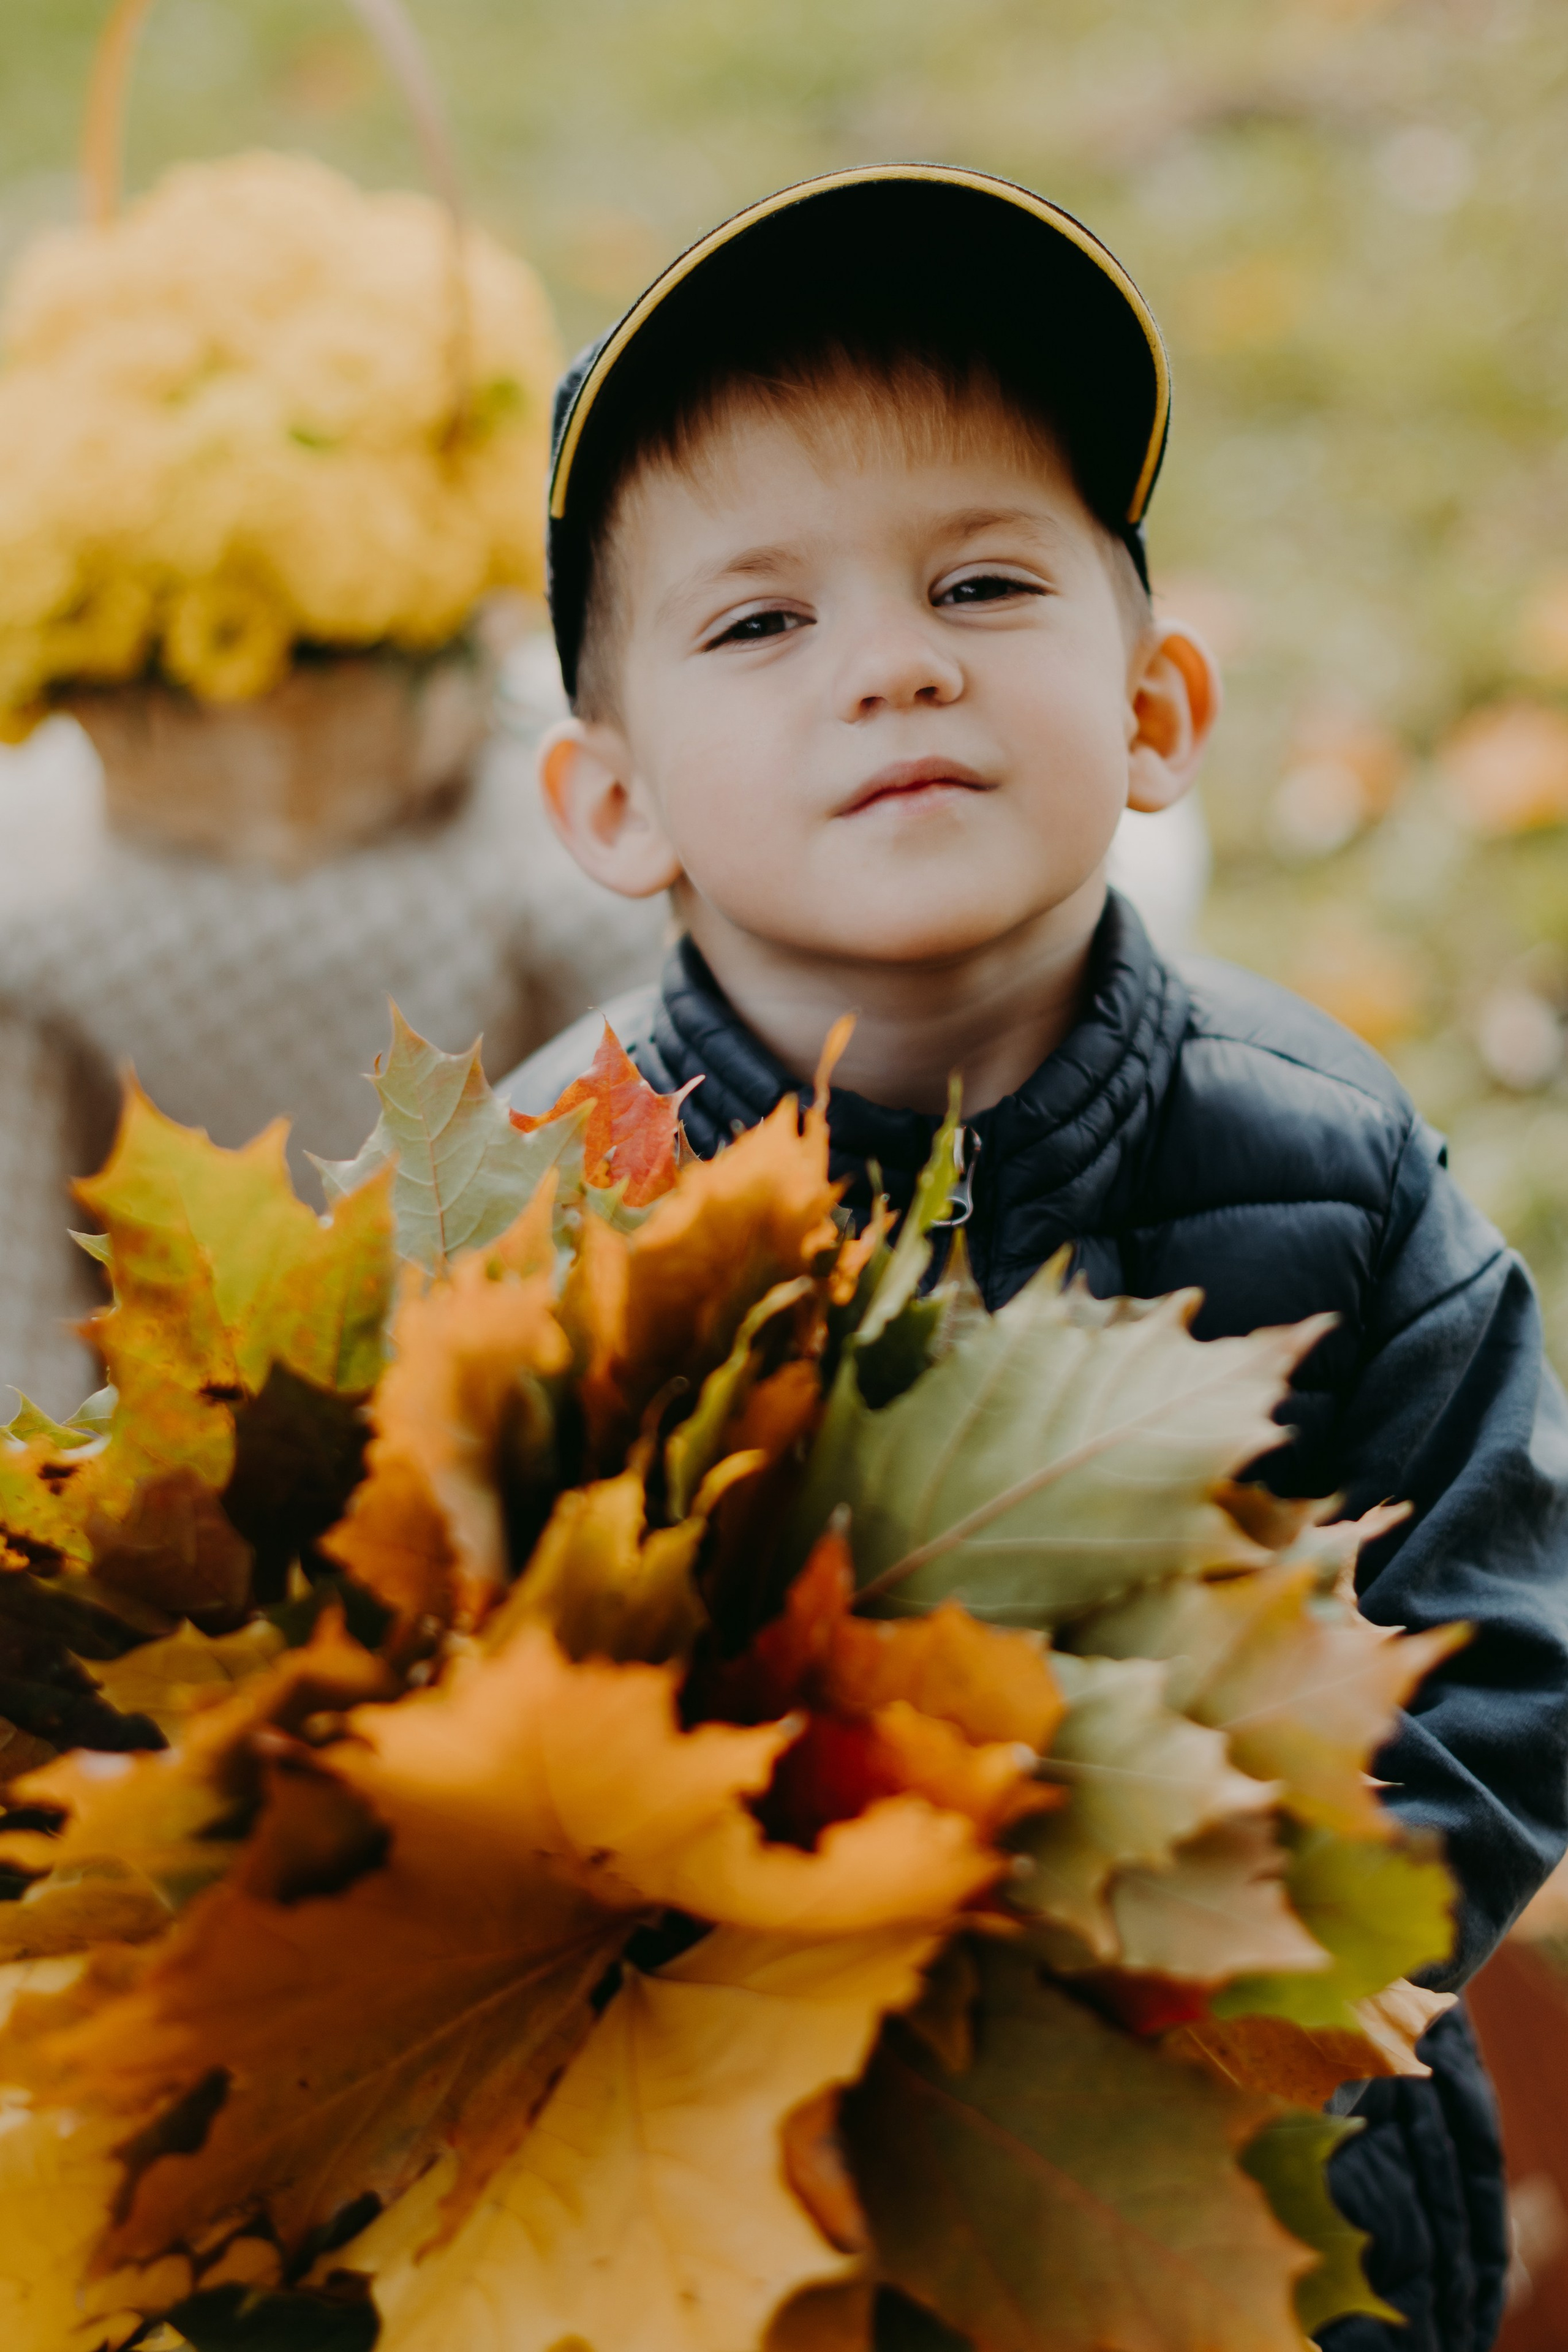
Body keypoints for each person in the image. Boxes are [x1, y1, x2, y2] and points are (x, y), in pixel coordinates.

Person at [502, 165, 1568, 2352]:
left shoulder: (1327, 1167)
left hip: (1260, 2198)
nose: (893, 663)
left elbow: (1505, 1641)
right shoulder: (545, 1205)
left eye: (981, 584)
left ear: (1161, 705)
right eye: (759, 624)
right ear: (614, 804)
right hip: (752, 2197)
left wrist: (1246, 1961)